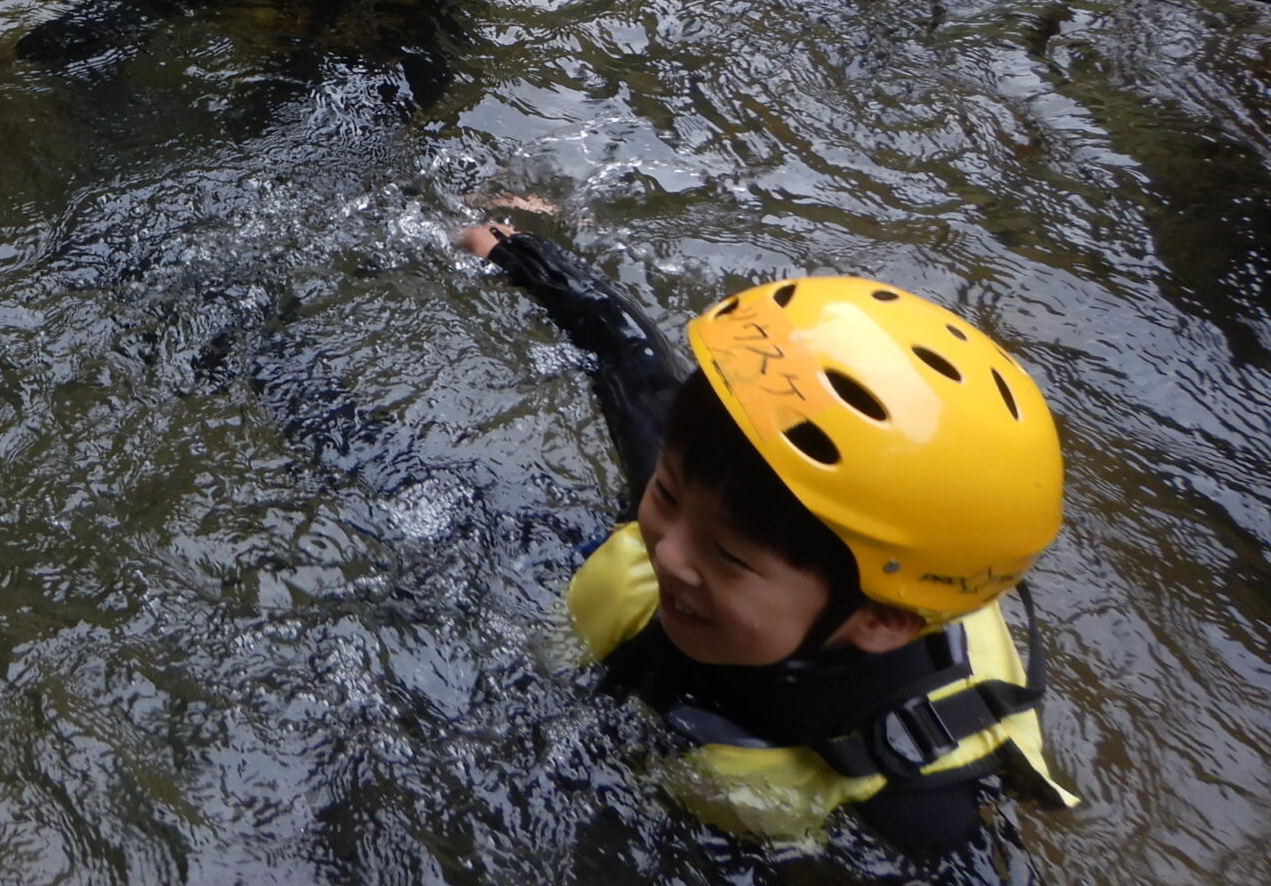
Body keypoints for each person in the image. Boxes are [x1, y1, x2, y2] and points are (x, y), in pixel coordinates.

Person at [459, 222, 1077, 856]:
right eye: (667, 494)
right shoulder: (725, 495)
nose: (667, 552)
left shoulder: (916, 813)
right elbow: (630, 365)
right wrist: (515, 253)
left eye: (726, 556)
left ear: (884, 619)